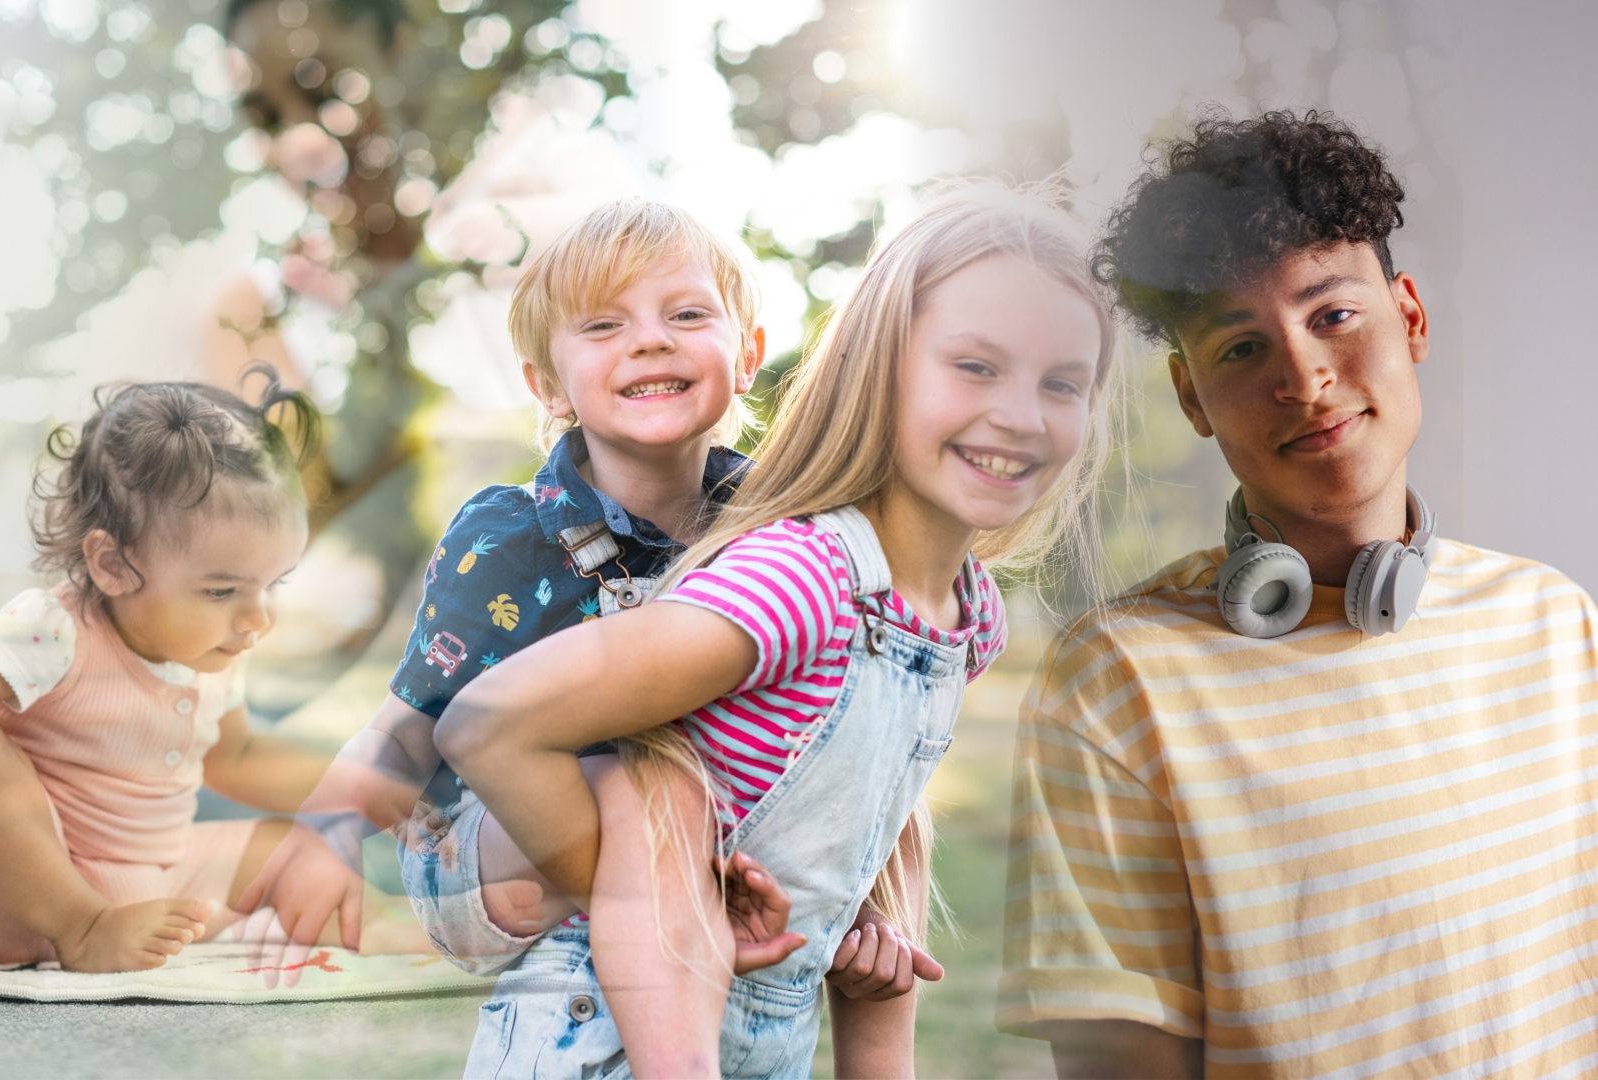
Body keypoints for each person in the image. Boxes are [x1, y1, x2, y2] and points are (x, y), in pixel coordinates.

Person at [436, 180, 1118, 1077]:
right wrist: (662, 898)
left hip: (768, 1040)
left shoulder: (967, 613)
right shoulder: (800, 577)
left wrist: (865, 947)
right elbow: (486, 723)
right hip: (602, 1036)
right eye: (976, 367)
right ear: (880, 371)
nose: (1021, 415)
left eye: (1060, 381)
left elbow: (882, 825)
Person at [248, 197, 938, 1065]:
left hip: (673, 851)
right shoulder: (511, 536)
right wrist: (326, 833)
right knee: (650, 782)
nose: (649, 340)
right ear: (546, 384)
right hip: (480, 848)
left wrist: (860, 898)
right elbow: (410, 717)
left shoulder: (777, 533)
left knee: (805, 764)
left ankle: (804, 958)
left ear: (747, 355)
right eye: (604, 325)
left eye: (687, 315)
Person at [999, 109, 1598, 1079]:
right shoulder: (1119, 681)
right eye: (1240, 348)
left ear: (1409, 318)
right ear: (1190, 396)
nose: (1307, 378)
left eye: (1332, 315)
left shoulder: (1559, 625)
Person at [0, 373, 360, 991]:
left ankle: (413, 931)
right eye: (222, 590)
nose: (257, 617)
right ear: (112, 565)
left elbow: (236, 757)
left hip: (154, 879)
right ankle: (84, 929)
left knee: (299, 850)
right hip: (10, 893)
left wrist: (364, 787)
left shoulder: (211, 644)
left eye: (271, 584)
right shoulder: (54, 628)